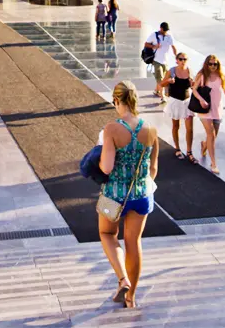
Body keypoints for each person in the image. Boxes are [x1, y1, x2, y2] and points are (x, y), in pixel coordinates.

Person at [98, 80, 159, 309]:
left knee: (106, 233)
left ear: (116, 100)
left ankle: (122, 278)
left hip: (113, 194)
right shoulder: (151, 128)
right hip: (142, 195)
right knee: (134, 242)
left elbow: (106, 167)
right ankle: (131, 295)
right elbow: (153, 170)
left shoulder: (112, 129)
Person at [192, 54, 225, 174]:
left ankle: (205, 144)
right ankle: (213, 163)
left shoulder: (222, 76)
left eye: (215, 64)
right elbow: (194, 89)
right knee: (211, 134)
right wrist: (201, 100)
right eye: (210, 64)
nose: (212, 66)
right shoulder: (202, 75)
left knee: (213, 136)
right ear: (206, 64)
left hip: (217, 109)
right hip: (205, 110)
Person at [158, 53, 195, 162]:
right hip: (175, 101)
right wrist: (169, 81)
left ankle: (189, 151)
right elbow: (162, 84)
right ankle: (177, 148)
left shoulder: (190, 71)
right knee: (176, 126)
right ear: (177, 60)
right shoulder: (172, 71)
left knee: (190, 128)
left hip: (187, 101)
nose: (183, 61)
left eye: (185, 59)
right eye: (181, 59)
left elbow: (193, 86)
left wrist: (193, 84)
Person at [145, 22, 177, 103]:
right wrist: (154, 46)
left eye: (167, 30)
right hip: (156, 61)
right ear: (161, 28)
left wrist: (176, 56)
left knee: (164, 78)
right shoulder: (154, 35)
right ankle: (163, 97)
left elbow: (173, 47)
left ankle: (156, 90)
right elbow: (146, 44)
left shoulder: (169, 37)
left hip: (165, 62)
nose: (166, 32)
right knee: (160, 78)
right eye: (164, 30)